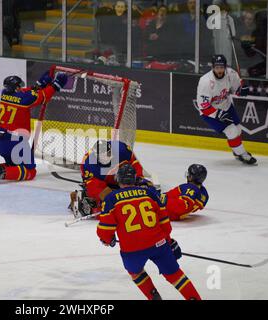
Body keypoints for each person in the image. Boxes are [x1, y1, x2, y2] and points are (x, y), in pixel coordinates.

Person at [97, 163, 201, 300]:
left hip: (132, 250)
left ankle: (153, 296)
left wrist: (107, 240)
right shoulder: (150, 193)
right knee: (175, 275)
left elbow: (105, 231)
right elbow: (165, 224)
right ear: (135, 178)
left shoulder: (111, 199)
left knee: (135, 272)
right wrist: (168, 241)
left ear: (118, 179)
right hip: (159, 244)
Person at [0, 71, 68, 184]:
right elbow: (43, 96)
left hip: (2, 142)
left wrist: (39, 85)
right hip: (16, 143)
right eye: (19, 86)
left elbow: (27, 92)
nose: (21, 88)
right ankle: (1, 170)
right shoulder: (24, 99)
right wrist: (55, 85)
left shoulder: (4, 93)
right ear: (16, 88)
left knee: (15, 165)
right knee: (30, 171)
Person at [196, 54, 257, 165]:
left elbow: (235, 90)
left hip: (226, 105)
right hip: (209, 112)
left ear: (225, 67)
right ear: (213, 67)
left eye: (221, 67)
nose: (219, 70)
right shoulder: (205, 82)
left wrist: (241, 90)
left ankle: (237, 152)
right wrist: (218, 114)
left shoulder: (231, 74)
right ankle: (243, 154)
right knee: (231, 131)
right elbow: (203, 106)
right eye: (217, 67)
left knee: (238, 129)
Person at [70, 140, 146, 218]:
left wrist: (139, 178)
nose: (106, 157)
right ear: (96, 156)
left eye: (108, 153)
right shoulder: (89, 164)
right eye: (103, 156)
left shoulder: (121, 149)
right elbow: (93, 186)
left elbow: (135, 163)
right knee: (107, 205)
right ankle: (86, 203)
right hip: (101, 181)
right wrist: (110, 198)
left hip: (119, 176)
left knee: (143, 185)